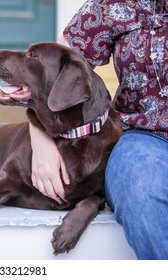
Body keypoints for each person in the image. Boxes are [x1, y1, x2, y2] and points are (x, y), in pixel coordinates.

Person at [30, 0, 168, 259]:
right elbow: (46, 72)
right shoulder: (116, 5)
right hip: (143, 137)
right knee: (141, 193)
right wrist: (40, 138)